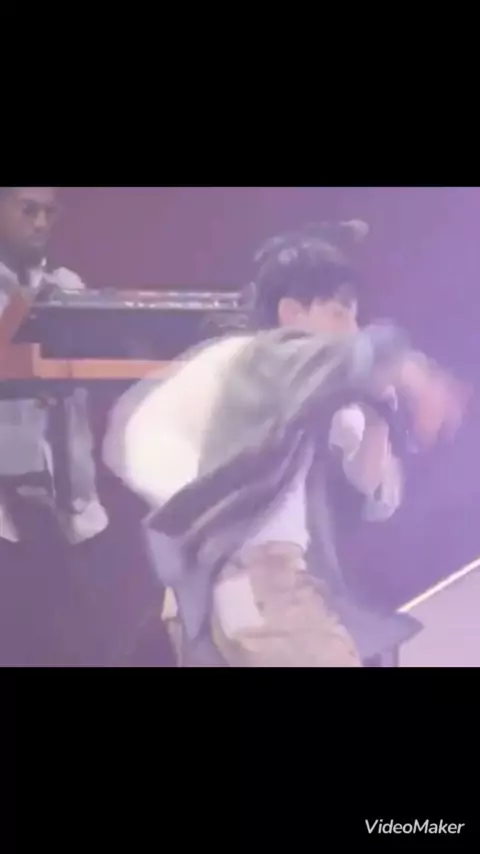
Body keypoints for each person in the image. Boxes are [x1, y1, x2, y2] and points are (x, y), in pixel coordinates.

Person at [103, 221, 466, 666]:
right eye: (340, 313)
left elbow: (372, 491)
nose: (351, 328)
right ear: (292, 313)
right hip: (262, 585)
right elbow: (369, 351)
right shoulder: (260, 358)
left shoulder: (295, 385)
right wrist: (409, 368)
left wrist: (378, 417)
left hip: (223, 595)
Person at [0, 187, 173, 666]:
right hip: (7, 512)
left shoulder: (68, 286)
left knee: (85, 645)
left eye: (49, 212)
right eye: (27, 210)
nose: (40, 223)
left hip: (74, 506)